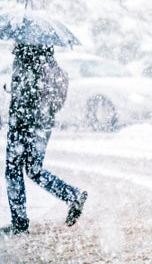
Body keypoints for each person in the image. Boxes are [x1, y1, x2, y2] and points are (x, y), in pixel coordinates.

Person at [0, 44, 88, 236]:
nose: (15, 44)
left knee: (13, 171)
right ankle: (72, 195)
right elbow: (50, 98)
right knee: (34, 170)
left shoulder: (27, 60)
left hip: (24, 123)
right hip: (42, 124)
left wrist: (18, 93)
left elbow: (28, 92)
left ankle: (20, 223)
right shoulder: (49, 62)